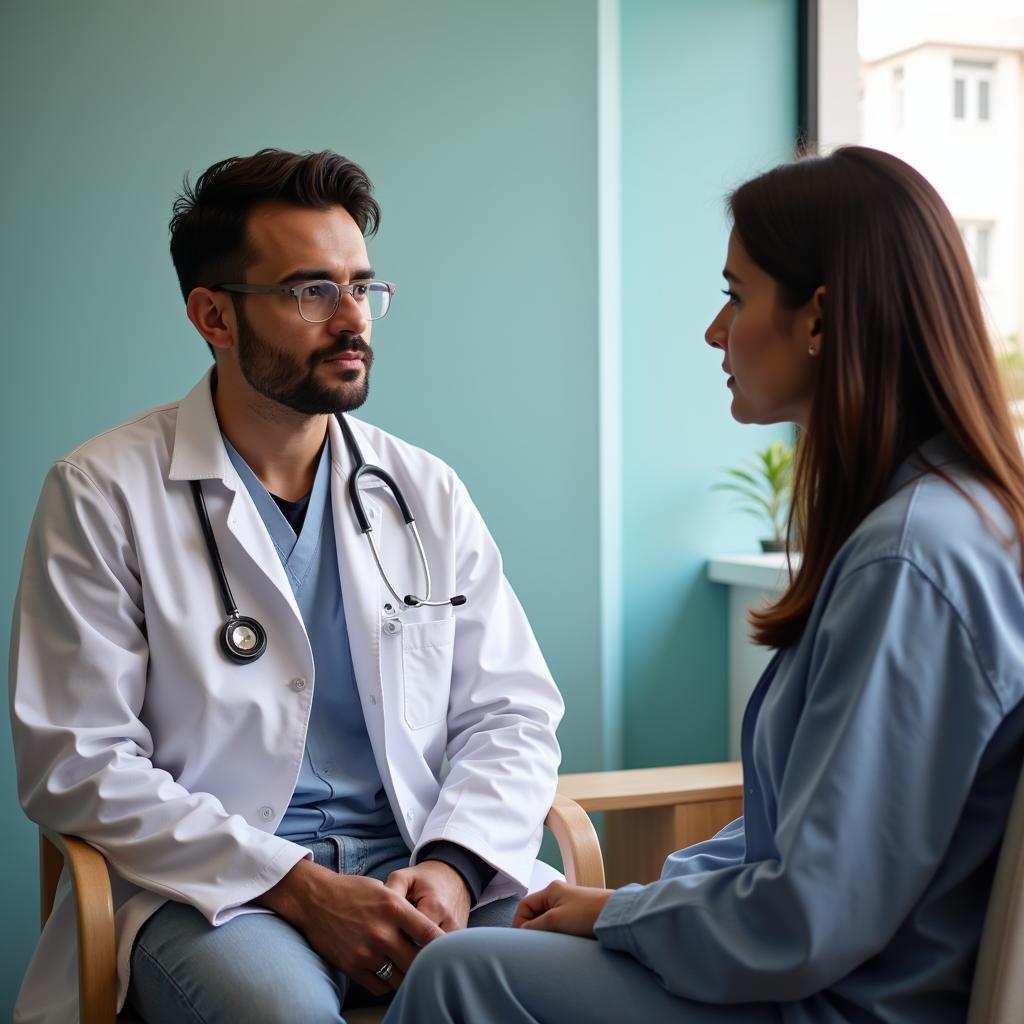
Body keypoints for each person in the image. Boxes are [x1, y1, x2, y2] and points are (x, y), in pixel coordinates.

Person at [383, 145, 1024, 1024]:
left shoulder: (909, 562)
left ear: (821, 320)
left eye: (735, 295)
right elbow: (800, 837)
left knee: (464, 976)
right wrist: (639, 903)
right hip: (828, 969)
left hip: (837, 1001)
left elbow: (808, 913)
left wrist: (626, 913)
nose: (716, 332)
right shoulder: (946, 521)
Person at [10, 148, 563, 1024]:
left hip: (419, 861)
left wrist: (456, 866)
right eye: (311, 291)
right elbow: (78, 762)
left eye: (363, 288)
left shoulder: (422, 490)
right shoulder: (101, 490)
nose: (353, 320)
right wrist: (298, 888)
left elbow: (513, 712)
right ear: (213, 317)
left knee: (588, 981)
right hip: (219, 891)